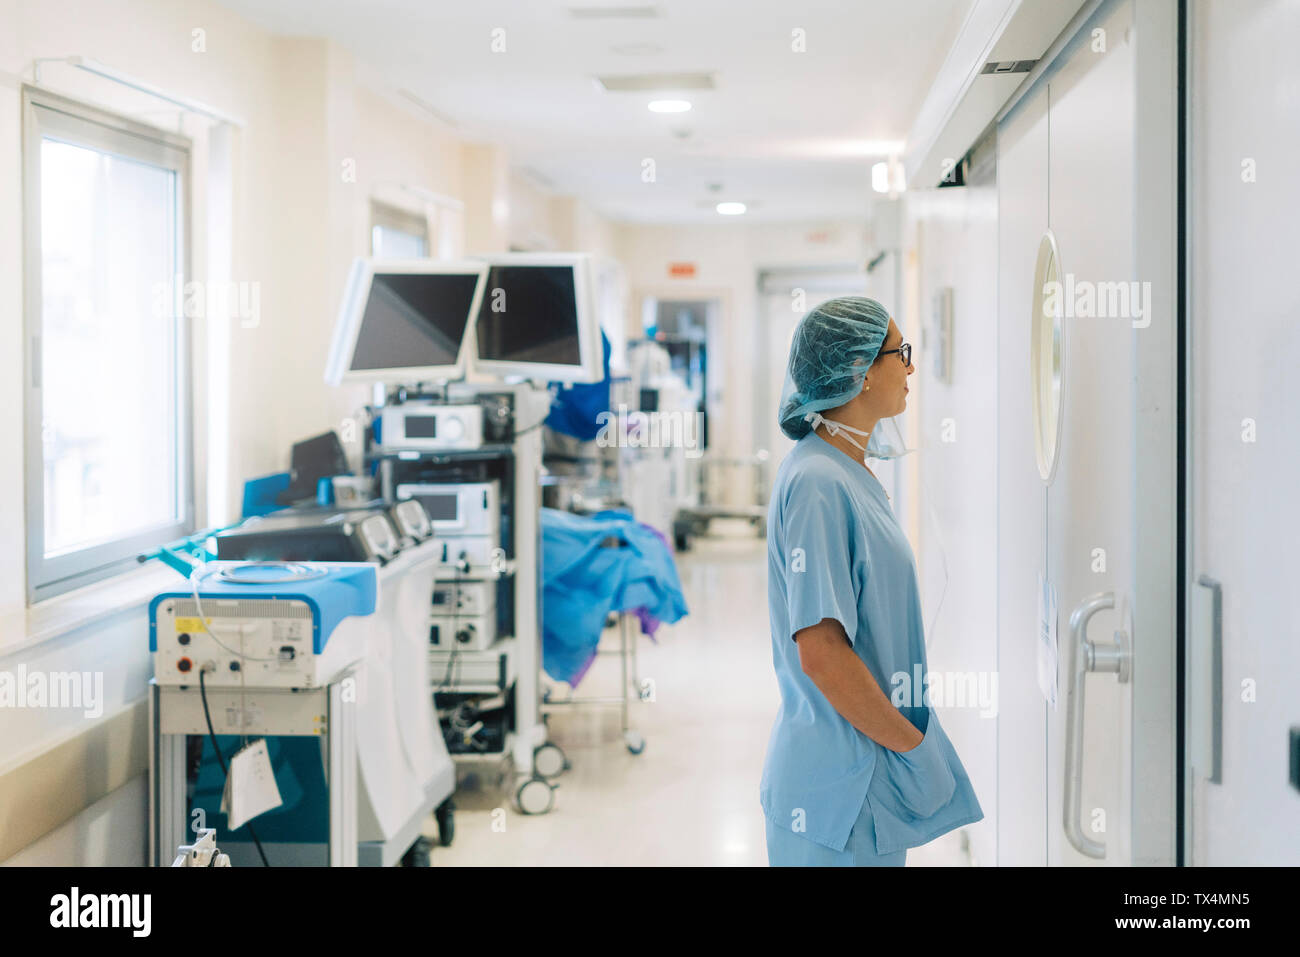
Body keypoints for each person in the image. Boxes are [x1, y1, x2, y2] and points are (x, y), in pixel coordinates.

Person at [760, 296, 983, 866]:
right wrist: (912, 746)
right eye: (899, 354)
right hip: (836, 791)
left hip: (862, 773)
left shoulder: (846, 468)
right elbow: (822, 654)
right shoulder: (817, 482)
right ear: (859, 371)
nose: (910, 368)